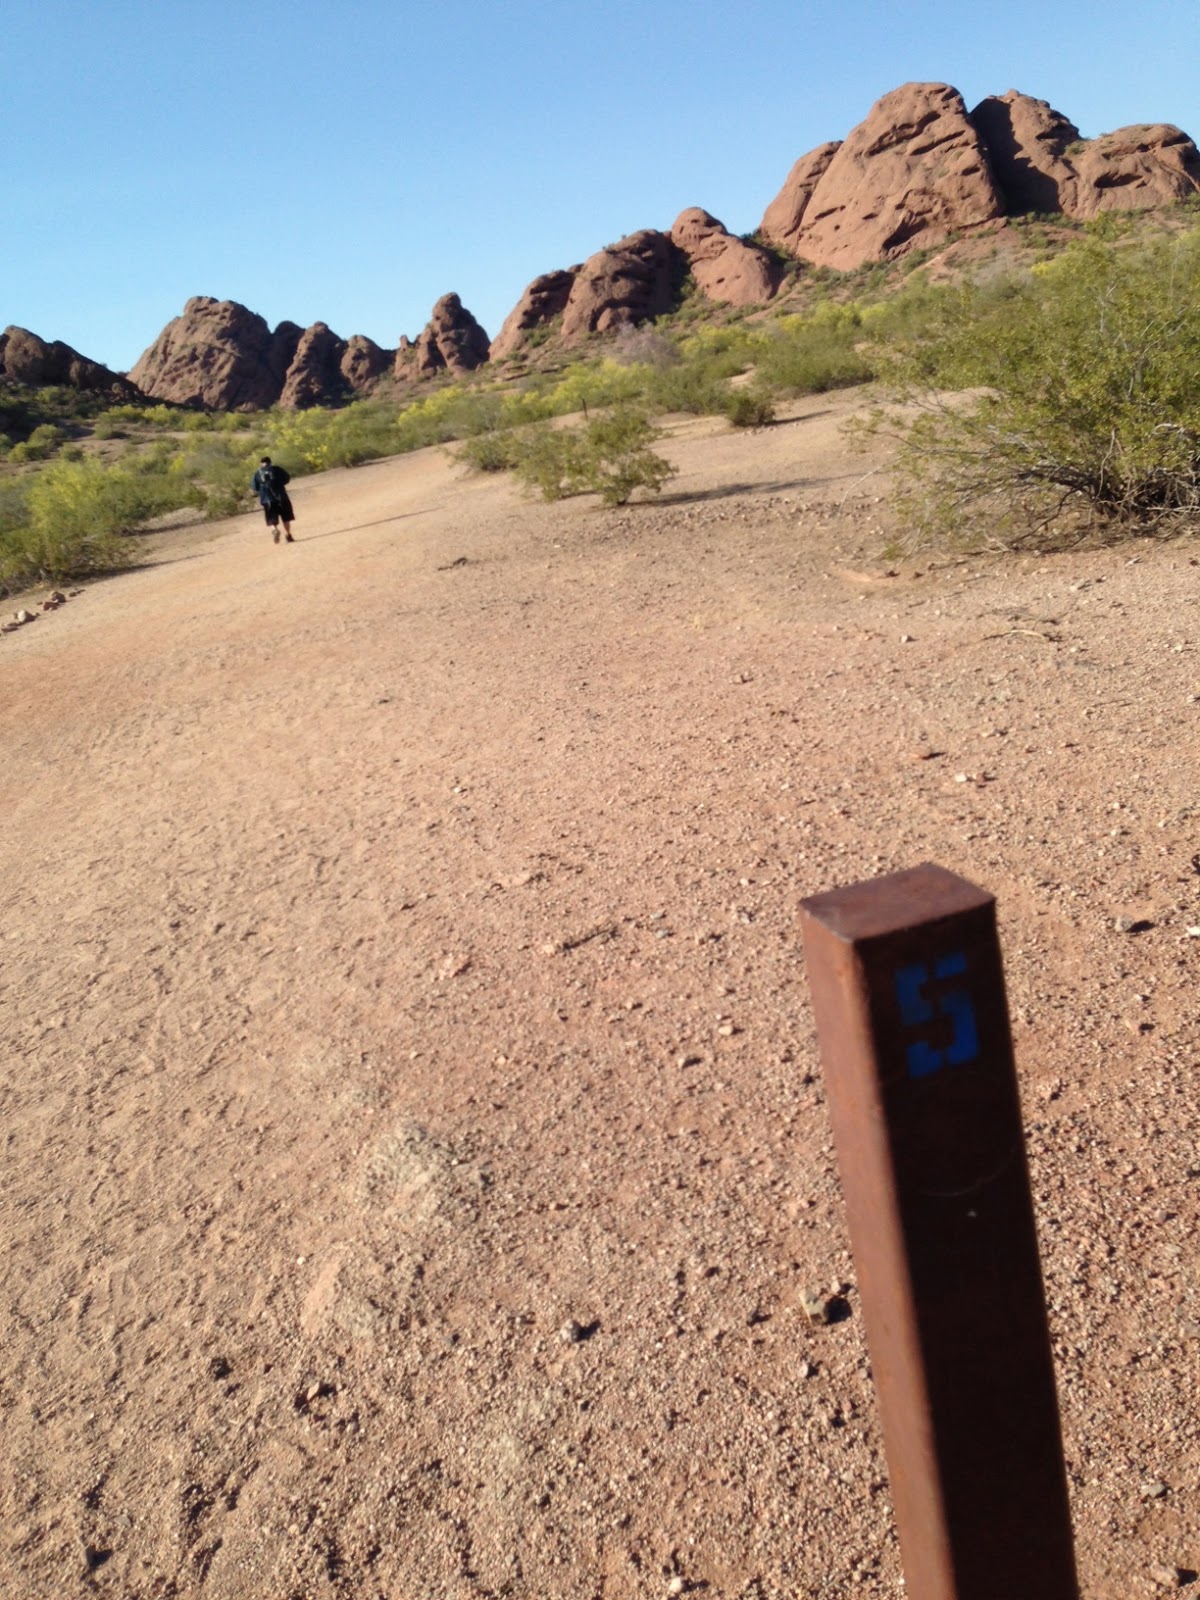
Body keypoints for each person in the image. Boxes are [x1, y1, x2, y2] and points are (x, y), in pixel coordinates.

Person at [251, 456, 295, 543]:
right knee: (286, 518)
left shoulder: (257, 473)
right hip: (281, 497)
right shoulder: (277, 469)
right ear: (270, 462)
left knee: (271, 519)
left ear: (261, 463)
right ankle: (288, 535)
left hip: (267, 500)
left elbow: (255, 487)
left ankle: (275, 530)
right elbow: (287, 479)